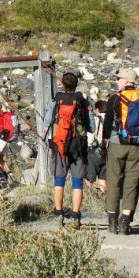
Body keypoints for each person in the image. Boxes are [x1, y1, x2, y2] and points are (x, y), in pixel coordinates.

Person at [43, 72, 92, 230]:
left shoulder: (56, 101)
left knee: (59, 179)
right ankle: (75, 217)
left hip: (60, 144)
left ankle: (59, 214)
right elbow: (90, 125)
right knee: (77, 181)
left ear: (63, 85)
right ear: (76, 85)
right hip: (78, 145)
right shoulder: (82, 101)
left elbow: (46, 124)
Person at [102, 67, 139, 235]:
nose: (116, 81)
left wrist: (104, 142)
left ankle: (112, 221)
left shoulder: (115, 99)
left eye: (118, 79)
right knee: (132, 182)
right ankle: (126, 221)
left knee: (114, 180)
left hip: (116, 143)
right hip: (137, 145)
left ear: (126, 81)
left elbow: (108, 123)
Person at [86, 100, 107, 196]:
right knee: (103, 177)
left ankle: (91, 197)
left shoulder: (95, 119)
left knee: (90, 178)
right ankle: (104, 196)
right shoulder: (111, 119)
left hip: (94, 151)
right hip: (107, 152)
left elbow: (90, 137)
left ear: (98, 109)